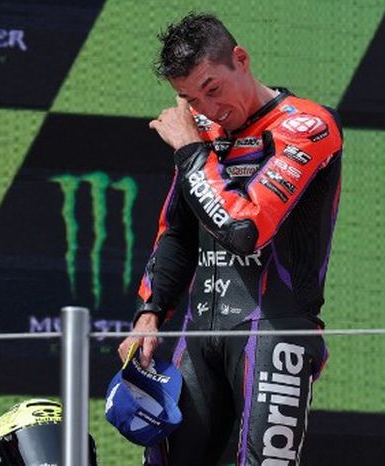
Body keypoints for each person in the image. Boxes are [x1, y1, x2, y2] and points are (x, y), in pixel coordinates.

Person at [118, 13, 343, 466]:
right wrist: (149, 313)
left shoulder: (306, 126)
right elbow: (177, 231)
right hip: (200, 335)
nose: (206, 109)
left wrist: (189, 152)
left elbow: (247, 229)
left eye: (212, 89)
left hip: (275, 335)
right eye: (189, 99)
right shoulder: (204, 139)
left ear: (240, 59)